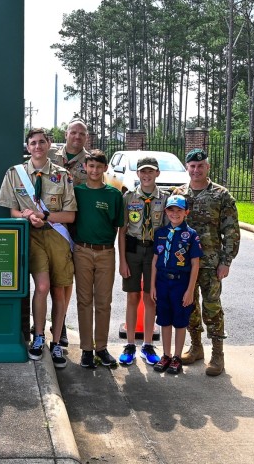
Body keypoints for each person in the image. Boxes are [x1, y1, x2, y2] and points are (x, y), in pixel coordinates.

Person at [0, 128, 76, 368]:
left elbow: (70, 216)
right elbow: (12, 211)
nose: (38, 146)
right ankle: (39, 336)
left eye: (42, 142)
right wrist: (27, 215)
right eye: (33, 143)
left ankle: (57, 342)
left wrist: (46, 214)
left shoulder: (63, 175)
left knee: (60, 291)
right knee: (42, 286)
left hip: (57, 235)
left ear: (49, 144)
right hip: (32, 236)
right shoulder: (14, 174)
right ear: (28, 146)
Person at [174, 148, 240, 376]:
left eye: (200, 166)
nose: (196, 170)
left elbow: (231, 231)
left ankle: (218, 354)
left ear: (207, 167)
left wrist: (226, 261)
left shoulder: (222, 195)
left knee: (212, 307)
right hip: (184, 264)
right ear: (187, 168)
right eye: (192, 166)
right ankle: (196, 346)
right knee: (189, 305)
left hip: (211, 263)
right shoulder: (179, 195)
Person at [72, 150, 124, 368]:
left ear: (105, 169)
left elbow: (119, 226)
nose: (94, 170)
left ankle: (101, 347)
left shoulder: (114, 195)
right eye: (90, 166)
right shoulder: (77, 192)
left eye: (98, 167)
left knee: (103, 302)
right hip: (82, 250)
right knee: (84, 301)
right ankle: (86, 349)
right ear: (85, 167)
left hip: (105, 253)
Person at [117, 156, 168, 366]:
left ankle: (147, 344)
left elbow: (166, 230)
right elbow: (122, 231)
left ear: (157, 173)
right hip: (133, 251)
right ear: (137, 174)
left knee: (150, 298)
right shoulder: (129, 198)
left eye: (151, 171)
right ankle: (130, 344)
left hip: (153, 253)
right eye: (143, 172)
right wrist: (122, 261)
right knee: (132, 298)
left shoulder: (164, 198)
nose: (146, 175)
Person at [151, 195, 203, 374]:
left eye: (179, 210)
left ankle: (177, 357)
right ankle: (165, 355)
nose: (175, 213)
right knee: (164, 320)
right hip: (162, 282)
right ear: (166, 211)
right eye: (171, 210)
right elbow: (155, 260)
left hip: (181, 284)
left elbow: (195, 264)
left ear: (186, 212)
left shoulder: (191, 235)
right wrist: (152, 286)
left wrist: (190, 290)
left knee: (180, 322)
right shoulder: (161, 233)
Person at [50, 117, 89, 348]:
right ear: (66, 134)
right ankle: (54, 323)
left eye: (81, 134)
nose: (77, 137)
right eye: (73, 132)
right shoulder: (51, 155)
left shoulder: (90, 161)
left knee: (66, 279)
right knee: (51, 277)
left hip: (75, 225)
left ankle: (60, 324)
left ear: (86, 137)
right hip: (51, 223)